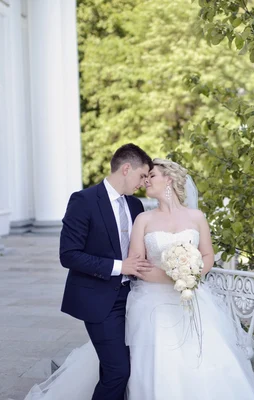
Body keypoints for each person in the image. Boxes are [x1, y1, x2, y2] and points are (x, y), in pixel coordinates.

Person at [26, 158, 254, 400]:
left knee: (205, 361)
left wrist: (190, 275)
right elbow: (135, 263)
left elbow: (207, 255)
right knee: (150, 365)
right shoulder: (143, 218)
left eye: (152, 176)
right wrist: (175, 277)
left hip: (193, 299)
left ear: (169, 179)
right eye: (145, 176)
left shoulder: (197, 217)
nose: (146, 180)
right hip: (153, 303)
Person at [25, 144, 154, 400]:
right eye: (142, 175)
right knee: (118, 370)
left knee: (124, 368)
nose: (144, 182)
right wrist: (120, 267)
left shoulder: (136, 206)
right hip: (100, 299)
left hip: (136, 300)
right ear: (126, 168)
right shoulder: (83, 201)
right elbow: (68, 255)